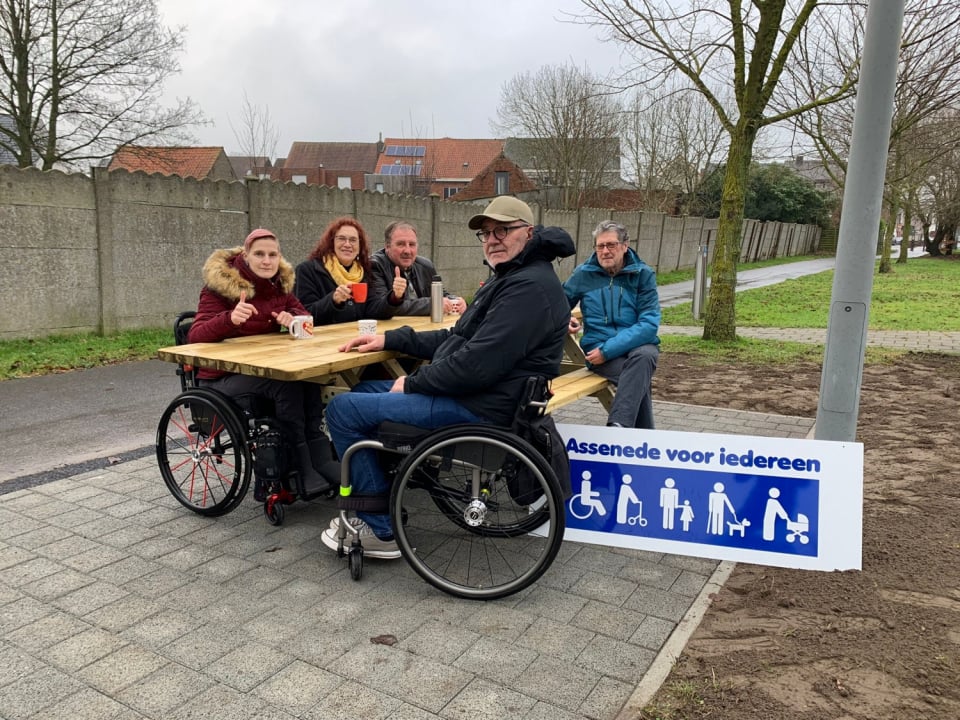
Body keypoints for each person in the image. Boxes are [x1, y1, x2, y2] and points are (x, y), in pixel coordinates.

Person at [319, 196, 575, 559]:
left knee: (342, 409)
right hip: (485, 396)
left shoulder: (528, 288)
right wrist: (390, 338)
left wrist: (412, 383)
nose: (492, 239)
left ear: (529, 233)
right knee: (363, 388)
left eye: (503, 230)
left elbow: (476, 364)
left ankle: (379, 528)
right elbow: (456, 338)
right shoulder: (513, 277)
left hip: (478, 407)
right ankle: (383, 488)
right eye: (486, 233)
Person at [186, 228, 339, 494]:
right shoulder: (221, 288)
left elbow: (306, 319)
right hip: (220, 378)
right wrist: (229, 319)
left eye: (272, 255)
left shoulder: (279, 286)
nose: (266, 261)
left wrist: (294, 322)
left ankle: (320, 458)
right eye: (259, 254)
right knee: (286, 385)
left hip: (261, 369)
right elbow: (194, 336)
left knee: (308, 378)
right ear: (246, 256)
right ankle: (302, 466)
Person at [563, 220, 660, 429]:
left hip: (631, 349)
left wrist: (608, 350)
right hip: (598, 352)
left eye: (611, 245)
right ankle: (645, 440)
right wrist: (564, 319)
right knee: (639, 374)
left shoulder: (642, 275)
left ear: (625, 246)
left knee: (644, 357)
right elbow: (557, 305)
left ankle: (618, 427)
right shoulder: (583, 274)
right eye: (600, 246)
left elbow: (649, 324)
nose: (605, 251)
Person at [295, 217, 400, 325]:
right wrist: (333, 300)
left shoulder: (364, 272)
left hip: (356, 337)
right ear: (331, 243)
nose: (347, 244)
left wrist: (394, 297)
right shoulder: (308, 270)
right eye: (341, 238)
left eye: (353, 240)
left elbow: (373, 311)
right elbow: (304, 316)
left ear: (360, 246)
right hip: (323, 340)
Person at [368, 220, 467, 315]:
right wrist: (433, 304)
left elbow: (440, 294)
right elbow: (380, 307)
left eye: (412, 244)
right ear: (387, 246)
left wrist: (456, 300)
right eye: (401, 244)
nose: (407, 251)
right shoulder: (374, 265)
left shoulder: (425, 265)